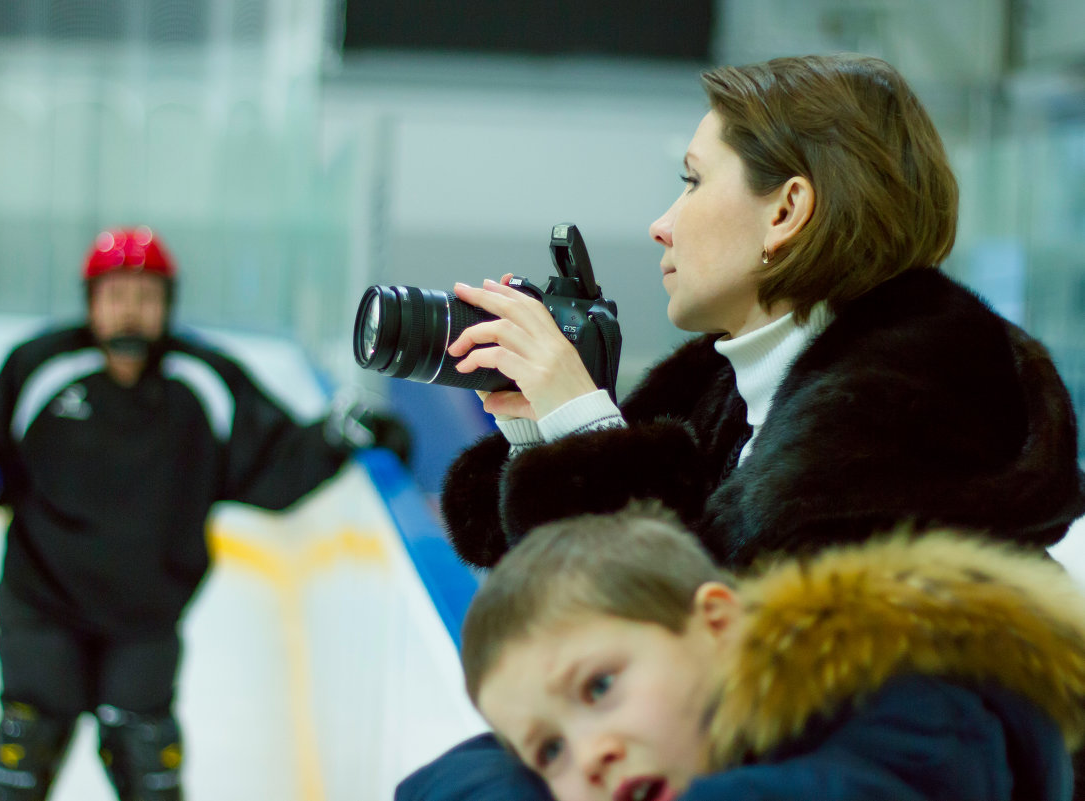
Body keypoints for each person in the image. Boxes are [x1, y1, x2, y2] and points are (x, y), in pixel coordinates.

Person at [398, 53, 1085, 799]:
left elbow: (723, 666)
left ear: (786, 211)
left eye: (692, 181)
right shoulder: (728, 388)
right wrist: (549, 433)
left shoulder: (922, 398)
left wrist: (583, 431)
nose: (661, 225)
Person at [0, 226, 410, 801]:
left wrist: (336, 436)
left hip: (146, 616)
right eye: (116, 296)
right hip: (42, 606)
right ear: (92, 302)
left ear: (167, 305)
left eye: (146, 298)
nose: (131, 313)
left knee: (148, 761)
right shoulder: (39, 367)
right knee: (24, 750)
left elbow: (274, 467)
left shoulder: (205, 381)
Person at [462, 506, 1085, 801]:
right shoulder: (688, 745)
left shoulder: (917, 704)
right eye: (549, 751)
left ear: (718, 623)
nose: (591, 757)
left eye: (599, 688)